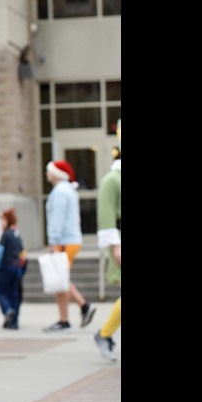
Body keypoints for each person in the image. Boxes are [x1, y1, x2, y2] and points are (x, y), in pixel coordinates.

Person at [41, 159, 97, 332]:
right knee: (62, 278)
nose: (46, 174)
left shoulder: (60, 192)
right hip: (69, 240)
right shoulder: (67, 190)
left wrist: (54, 242)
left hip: (64, 241)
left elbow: (57, 219)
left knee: (60, 280)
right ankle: (83, 307)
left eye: (48, 171)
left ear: (56, 174)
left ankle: (67, 318)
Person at [94, 121, 121, 361]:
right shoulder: (113, 180)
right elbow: (107, 213)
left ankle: (104, 334)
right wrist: (116, 245)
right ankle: (104, 334)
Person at [0, 208, 27, 329]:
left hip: (6, 267)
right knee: (14, 294)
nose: (2, 223)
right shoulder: (17, 235)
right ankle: (14, 321)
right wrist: (22, 269)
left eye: (3, 220)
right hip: (17, 267)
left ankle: (8, 311)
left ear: (7, 220)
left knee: (0, 292)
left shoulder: (5, 234)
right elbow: (23, 254)